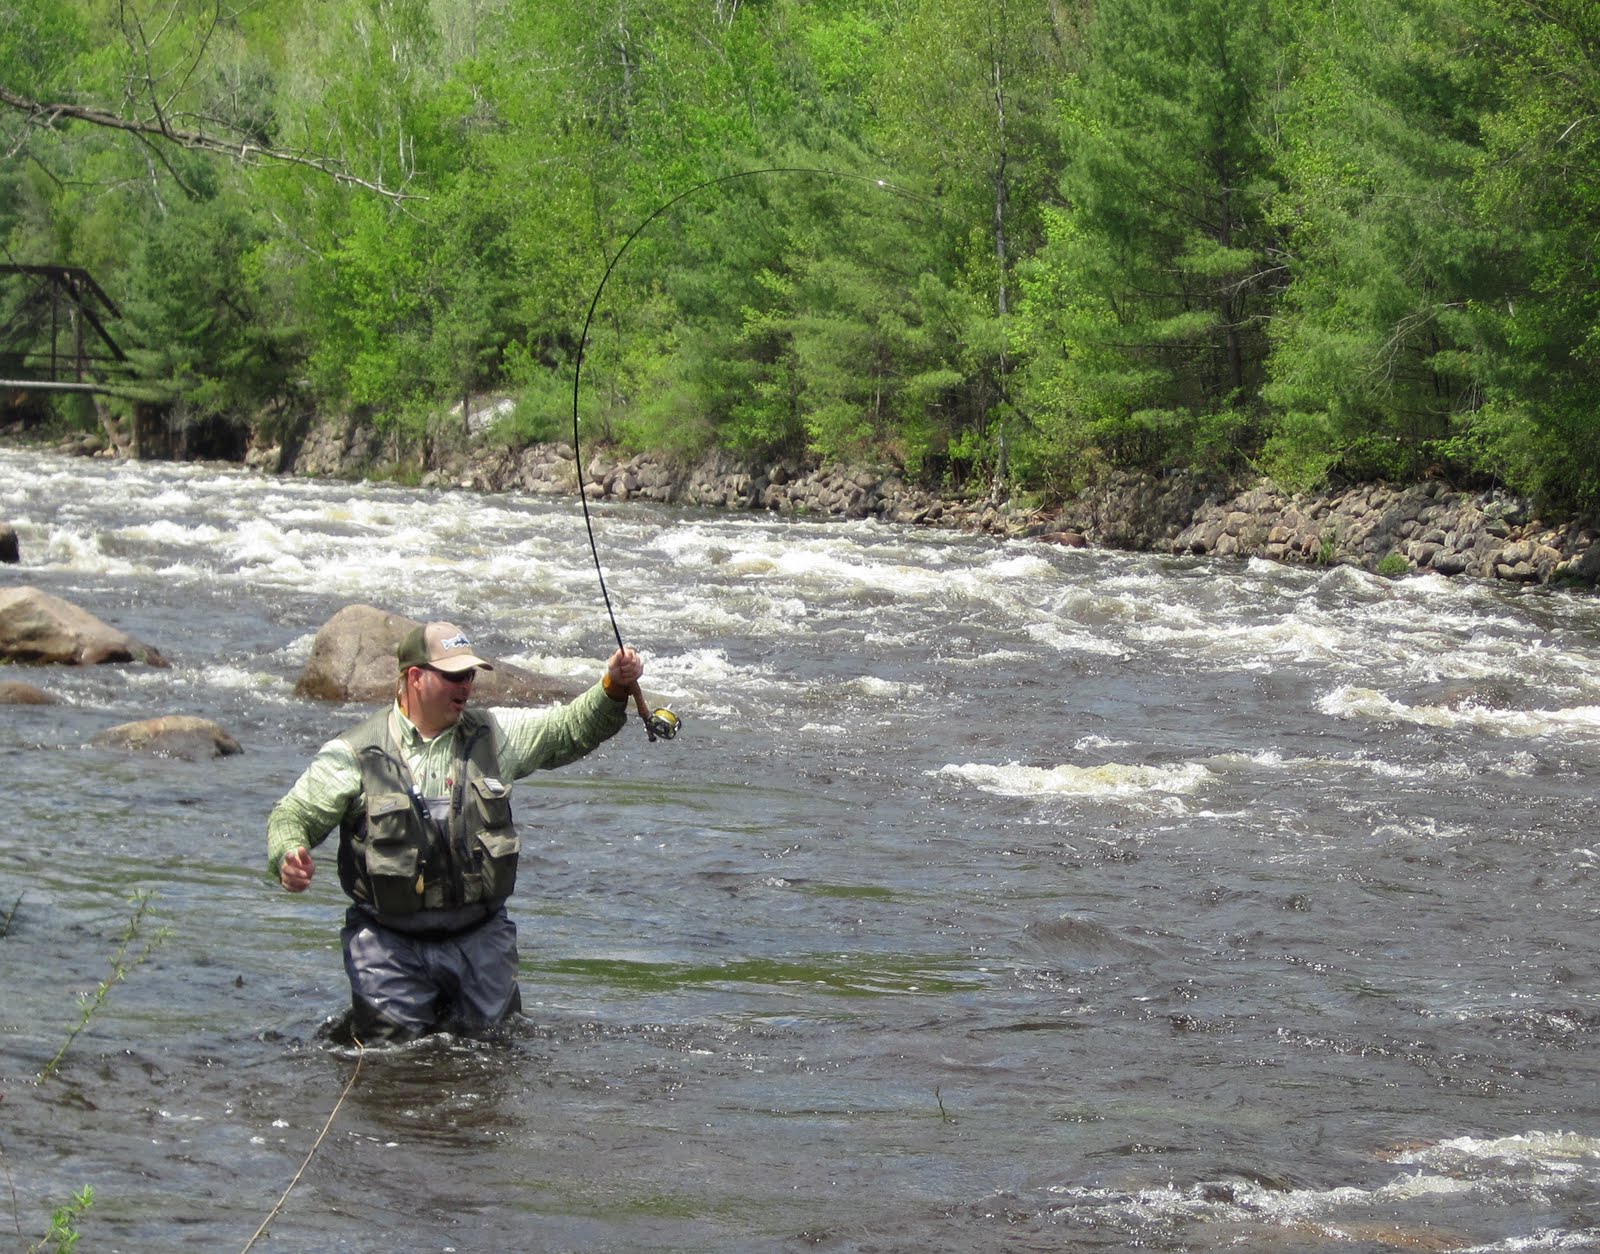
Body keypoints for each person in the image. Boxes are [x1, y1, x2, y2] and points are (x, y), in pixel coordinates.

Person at [267, 621, 645, 1043]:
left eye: (469, 674)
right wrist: (289, 854)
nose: (466, 685)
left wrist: (612, 686)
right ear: (415, 677)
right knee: (391, 1069)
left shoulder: (496, 735)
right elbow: (292, 814)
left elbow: (570, 728)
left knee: (496, 1058)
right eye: (452, 675)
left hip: (480, 939)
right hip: (388, 945)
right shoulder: (354, 754)